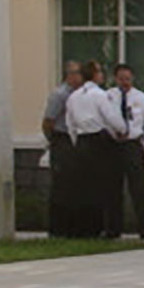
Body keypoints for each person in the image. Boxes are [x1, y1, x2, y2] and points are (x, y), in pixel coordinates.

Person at [62, 60, 120, 239]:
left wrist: (76, 141)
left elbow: (69, 123)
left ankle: (82, 227)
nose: (102, 75)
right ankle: (98, 226)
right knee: (102, 186)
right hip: (98, 140)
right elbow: (111, 117)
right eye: (100, 71)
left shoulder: (74, 97)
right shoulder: (99, 95)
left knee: (83, 187)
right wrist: (122, 130)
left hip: (81, 141)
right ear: (94, 75)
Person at [106, 64, 144, 239]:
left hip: (133, 144)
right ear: (115, 79)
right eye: (121, 78)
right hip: (114, 146)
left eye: (128, 78)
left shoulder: (141, 98)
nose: (125, 82)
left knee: (139, 189)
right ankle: (113, 229)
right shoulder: (108, 96)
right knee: (112, 188)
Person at [40, 60, 82, 237]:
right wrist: (54, 140)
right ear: (70, 75)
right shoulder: (60, 95)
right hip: (61, 138)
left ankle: (72, 226)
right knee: (61, 186)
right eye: (79, 74)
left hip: (74, 140)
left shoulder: (79, 94)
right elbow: (48, 121)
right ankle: (58, 228)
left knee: (74, 186)